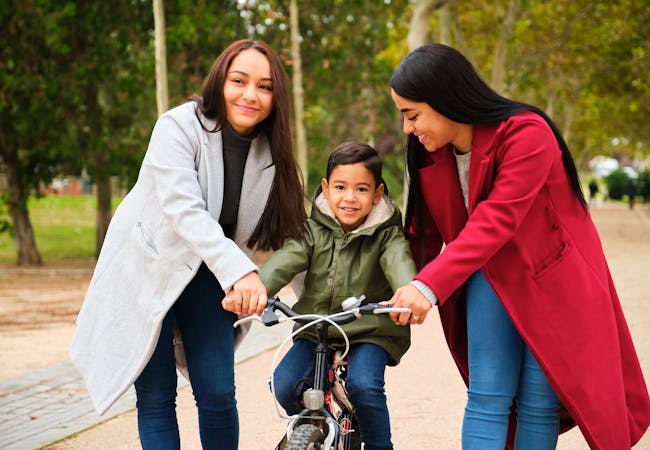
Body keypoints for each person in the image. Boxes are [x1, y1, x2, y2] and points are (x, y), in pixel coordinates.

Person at [386, 43, 650, 449]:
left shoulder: (527, 132)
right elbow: (418, 237)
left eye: (412, 114)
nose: (407, 128)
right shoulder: (426, 153)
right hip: (484, 278)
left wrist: (427, 287)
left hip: (551, 282)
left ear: (444, 100)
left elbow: (497, 219)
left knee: (538, 402)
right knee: (487, 396)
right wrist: (379, 285)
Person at [69, 39, 306, 450]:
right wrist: (243, 272)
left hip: (211, 275)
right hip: (148, 269)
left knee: (216, 392)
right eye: (239, 80)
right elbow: (185, 210)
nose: (251, 94)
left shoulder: (272, 151)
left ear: (276, 97)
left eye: (265, 87)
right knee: (156, 394)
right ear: (220, 81)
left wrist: (321, 306)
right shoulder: (178, 126)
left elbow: (294, 234)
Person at [257, 142, 416, 450]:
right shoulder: (312, 230)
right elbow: (287, 259)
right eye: (341, 187)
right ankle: (315, 423)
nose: (349, 198)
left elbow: (399, 262)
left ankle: (380, 445)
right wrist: (258, 288)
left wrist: (406, 292)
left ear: (378, 193)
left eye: (361, 189)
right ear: (326, 189)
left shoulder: (386, 234)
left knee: (365, 386)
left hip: (370, 330)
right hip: (316, 327)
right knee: (284, 384)